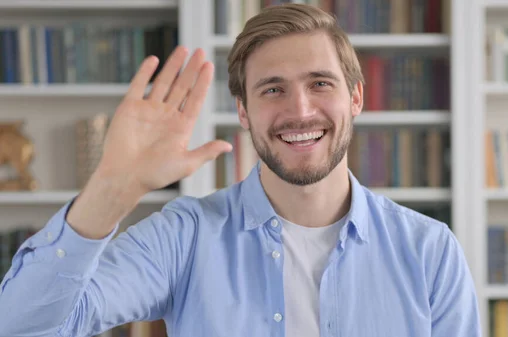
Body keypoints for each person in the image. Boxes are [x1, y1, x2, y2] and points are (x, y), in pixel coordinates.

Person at [0, 3, 481, 337]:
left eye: (319, 83)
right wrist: (110, 188)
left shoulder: (429, 250)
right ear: (244, 111)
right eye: (272, 89)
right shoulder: (185, 236)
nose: (300, 109)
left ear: (355, 97)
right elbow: (24, 327)